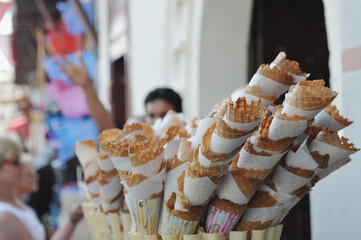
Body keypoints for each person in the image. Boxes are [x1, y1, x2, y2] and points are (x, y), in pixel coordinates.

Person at [56, 55, 183, 130]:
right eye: (151, 115)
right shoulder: (142, 145)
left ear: (179, 115)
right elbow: (109, 130)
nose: (157, 121)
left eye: (164, 114)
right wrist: (87, 87)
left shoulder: (192, 140)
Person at [0, 137, 83, 240]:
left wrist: (72, 219)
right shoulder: (4, 216)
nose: (22, 165)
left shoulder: (16, 204)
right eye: (16, 161)